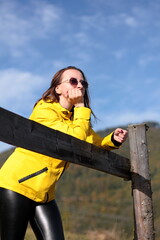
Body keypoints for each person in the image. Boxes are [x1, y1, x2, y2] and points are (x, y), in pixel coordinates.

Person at [0, 66, 128, 240]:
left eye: (83, 82)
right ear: (58, 88)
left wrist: (111, 140)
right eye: (73, 81)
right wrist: (81, 106)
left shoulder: (75, 119)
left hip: (45, 194)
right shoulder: (44, 110)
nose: (80, 86)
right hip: (16, 186)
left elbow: (91, 143)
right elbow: (73, 142)